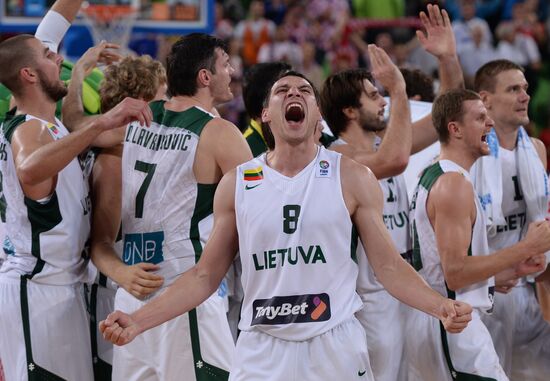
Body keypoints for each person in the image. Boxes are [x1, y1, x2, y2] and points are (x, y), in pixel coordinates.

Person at [100, 71, 473, 380]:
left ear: (316, 116)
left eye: (304, 91)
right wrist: (138, 320)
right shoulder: (238, 182)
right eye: (283, 90)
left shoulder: (352, 176)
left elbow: (389, 267)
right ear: (267, 113)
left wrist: (439, 306)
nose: (294, 93)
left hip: (334, 342)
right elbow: (203, 276)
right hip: (262, 346)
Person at [94, 33, 252, 380]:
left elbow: (80, 132)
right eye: (226, 64)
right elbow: (261, 213)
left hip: (130, 294)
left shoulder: (133, 124)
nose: (233, 71)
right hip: (185, 296)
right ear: (205, 77)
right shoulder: (219, 133)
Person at [319, 5, 463, 381]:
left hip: (405, 284)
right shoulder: (337, 156)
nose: (382, 99)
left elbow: (447, 115)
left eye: (381, 92)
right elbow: (395, 160)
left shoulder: (385, 140)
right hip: (369, 299)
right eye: (372, 94)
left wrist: (447, 58)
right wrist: (398, 89)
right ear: (349, 111)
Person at [0, 33, 151, 381]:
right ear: (29, 74)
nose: (57, 58)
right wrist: (104, 120)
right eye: (47, 55)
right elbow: (29, 168)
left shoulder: (49, 126)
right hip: (37, 288)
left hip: (61, 288)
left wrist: (82, 68)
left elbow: (70, 125)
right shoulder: (28, 132)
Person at [407, 88, 550, 381]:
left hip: (441, 317)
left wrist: (500, 274)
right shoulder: (454, 185)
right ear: (455, 129)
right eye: (480, 117)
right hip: (452, 324)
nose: (490, 124)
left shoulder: (437, 173)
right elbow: (455, 273)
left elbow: (442, 266)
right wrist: (526, 247)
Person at [61, 46, 168, 380]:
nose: (170, 107)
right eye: (162, 99)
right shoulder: (113, 158)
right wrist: (122, 273)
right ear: (136, 105)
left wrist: (79, 75)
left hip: (147, 290)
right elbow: (101, 242)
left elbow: (74, 119)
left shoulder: (132, 143)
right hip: (113, 291)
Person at [471, 59, 550, 380]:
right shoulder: (467, 153)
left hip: (529, 292)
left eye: (526, 89)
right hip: (486, 294)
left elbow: (541, 229)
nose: (525, 96)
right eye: (513, 89)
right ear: (485, 99)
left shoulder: (537, 149)